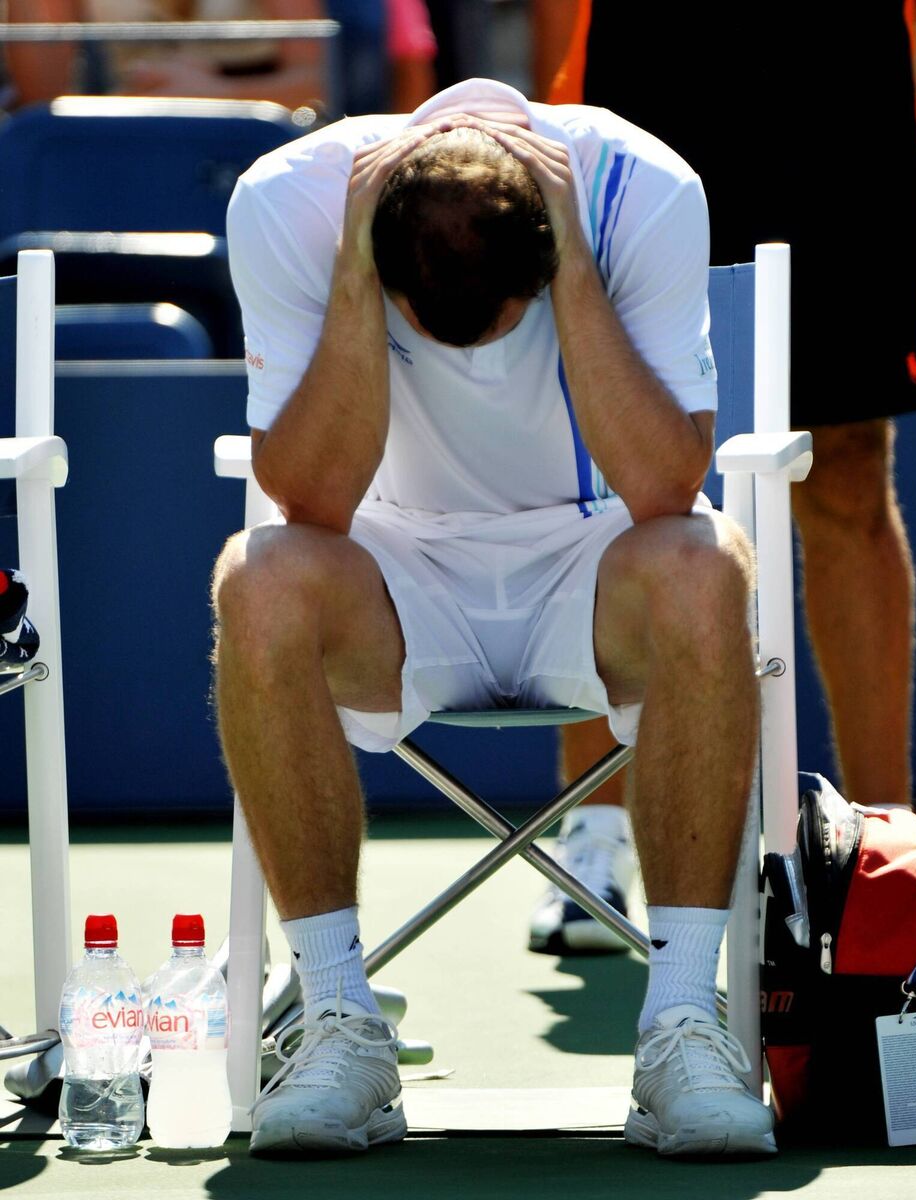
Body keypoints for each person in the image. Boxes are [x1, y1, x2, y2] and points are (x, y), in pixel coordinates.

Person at [213, 76, 776, 1158]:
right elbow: (315, 504)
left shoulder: (640, 189)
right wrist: (349, 280)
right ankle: (340, 1019)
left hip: (596, 555)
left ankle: (675, 1025)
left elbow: (663, 487)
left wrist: (571, 268)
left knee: (707, 565)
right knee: (260, 577)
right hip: (394, 565)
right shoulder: (286, 200)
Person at [527, 0, 916, 959]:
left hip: (841, 82)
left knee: (846, 464)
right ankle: (594, 840)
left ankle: (890, 853)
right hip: (655, 67)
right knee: (618, 451)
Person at [2, 0, 325, 111]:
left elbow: (319, 83)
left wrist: (223, 97)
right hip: (127, 140)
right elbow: (41, 100)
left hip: (248, 146)